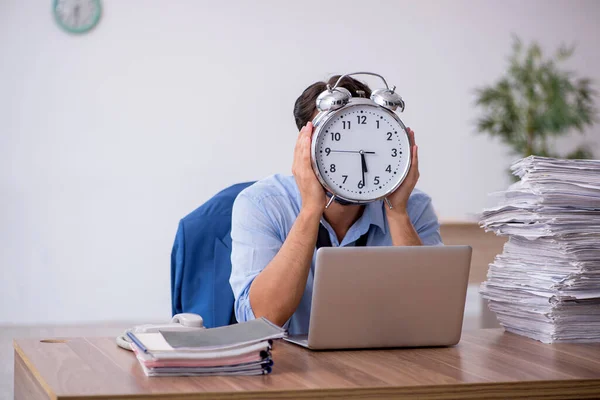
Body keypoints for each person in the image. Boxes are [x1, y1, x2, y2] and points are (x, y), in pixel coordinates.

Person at [229, 75, 443, 335]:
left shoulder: (413, 207)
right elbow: (263, 320)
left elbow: (432, 315)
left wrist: (397, 213)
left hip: (383, 363)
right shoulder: (261, 205)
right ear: (305, 147)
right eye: (335, 138)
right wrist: (310, 209)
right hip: (291, 368)